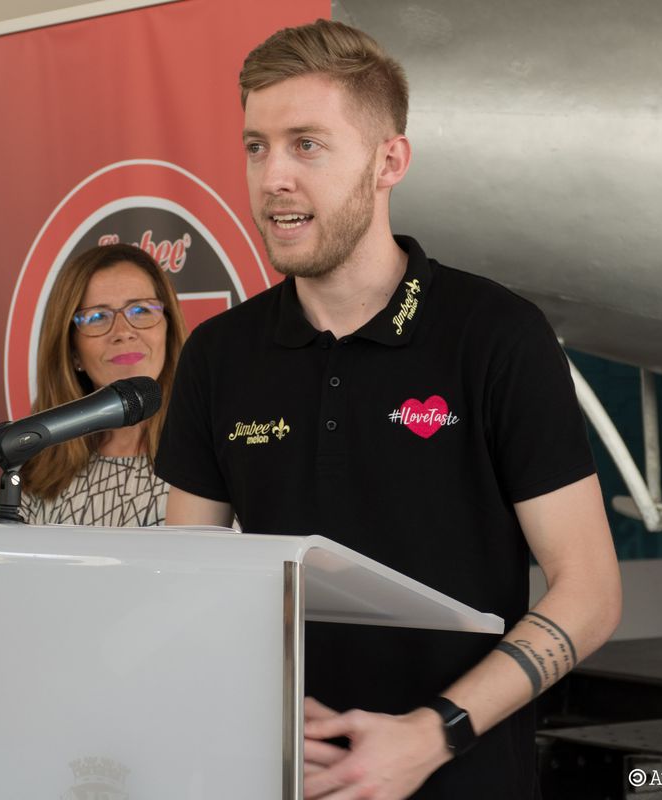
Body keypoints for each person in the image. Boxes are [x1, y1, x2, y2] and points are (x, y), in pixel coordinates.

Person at [155, 20, 621, 800]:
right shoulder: (219, 354)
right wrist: (244, 715)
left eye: (307, 145)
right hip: (281, 779)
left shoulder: (495, 335)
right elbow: (185, 584)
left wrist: (432, 734)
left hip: (466, 779)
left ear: (389, 161)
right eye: (256, 147)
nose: (273, 177)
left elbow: (591, 593)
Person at [19, 243, 187, 526]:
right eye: (97, 317)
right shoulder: (35, 468)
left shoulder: (211, 454)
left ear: (167, 331)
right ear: (73, 352)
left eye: (141, 310)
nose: (123, 332)